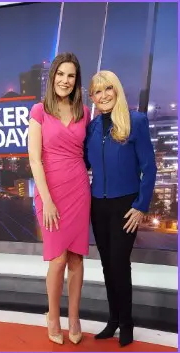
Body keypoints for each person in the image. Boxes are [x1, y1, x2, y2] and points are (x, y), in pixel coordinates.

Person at [85, 70, 157, 347]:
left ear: (116, 90)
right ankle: (113, 319)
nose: (103, 96)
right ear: (92, 97)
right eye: (97, 92)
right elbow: (82, 163)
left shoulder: (136, 121)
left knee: (119, 263)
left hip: (125, 206)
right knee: (106, 265)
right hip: (97, 206)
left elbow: (149, 169)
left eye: (108, 89)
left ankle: (126, 323)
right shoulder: (91, 127)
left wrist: (141, 206)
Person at [28, 52, 91, 345]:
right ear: (53, 76)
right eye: (61, 74)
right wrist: (47, 200)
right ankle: (53, 316)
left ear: (76, 81)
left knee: (77, 258)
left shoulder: (84, 112)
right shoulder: (39, 111)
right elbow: (35, 160)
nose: (65, 81)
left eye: (71, 76)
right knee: (58, 258)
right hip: (50, 191)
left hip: (79, 189)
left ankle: (74, 317)